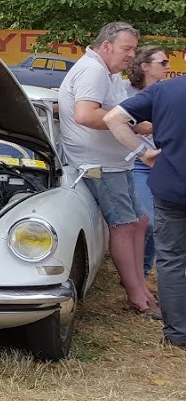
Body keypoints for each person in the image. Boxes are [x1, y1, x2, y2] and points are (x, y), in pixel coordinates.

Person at [56, 22, 156, 316]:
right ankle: (137, 298)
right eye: (127, 49)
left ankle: (141, 288)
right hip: (96, 165)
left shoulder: (107, 72)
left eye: (134, 50)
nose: (131, 56)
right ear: (107, 46)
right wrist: (136, 125)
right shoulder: (94, 70)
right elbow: (85, 114)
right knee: (125, 226)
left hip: (114, 163)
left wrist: (134, 125)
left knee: (138, 222)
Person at [104, 78, 186, 349]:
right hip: (171, 189)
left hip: (173, 186)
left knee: (172, 260)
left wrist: (143, 152)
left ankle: (177, 335)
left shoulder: (165, 90)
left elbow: (114, 118)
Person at [127, 46, 170, 278]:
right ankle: (137, 277)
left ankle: (142, 276)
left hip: (164, 162)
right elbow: (111, 117)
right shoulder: (126, 90)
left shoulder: (167, 91)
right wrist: (136, 125)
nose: (168, 67)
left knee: (159, 224)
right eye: (162, 63)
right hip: (137, 163)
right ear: (145, 66)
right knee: (149, 222)